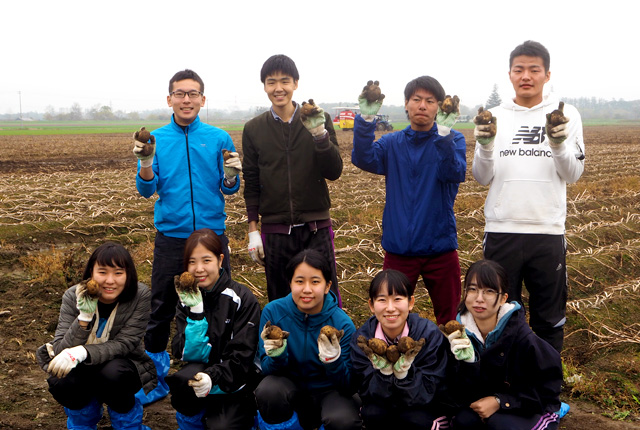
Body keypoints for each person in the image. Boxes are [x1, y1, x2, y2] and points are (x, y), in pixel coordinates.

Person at [133, 69, 242, 402]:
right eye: (180, 93)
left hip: (211, 236)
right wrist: (147, 161)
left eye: (193, 93)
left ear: (202, 100)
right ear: (170, 99)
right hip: (172, 235)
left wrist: (230, 176)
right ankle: (155, 378)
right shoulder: (156, 139)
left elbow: (231, 188)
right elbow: (145, 189)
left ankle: (223, 369)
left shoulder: (219, 137)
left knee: (220, 303)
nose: (186, 99)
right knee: (162, 306)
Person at [472, 40, 585, 352]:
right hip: (501, 231)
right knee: (501, 315)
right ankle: (505, 387)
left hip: (546, 231)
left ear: (547, 75)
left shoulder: (564, 114)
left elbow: (573, 174)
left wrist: (559, 143)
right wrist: (485, 144)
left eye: (534, 69)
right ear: (509, 74)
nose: (526, 76)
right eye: (519, 69)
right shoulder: (492, 116)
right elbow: (481, 177)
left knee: (549, 318)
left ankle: (545, 391)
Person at [351, 76, 466, 325]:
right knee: (392, 315)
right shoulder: (392, 143)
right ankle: (394, 361)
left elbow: (454, 172)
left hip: (441, 248)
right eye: (416, 100)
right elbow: (363, 158)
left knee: (451, 319)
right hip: (399, 250)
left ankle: (454, 362)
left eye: (429, 101)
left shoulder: (453, 139)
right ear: (406, 104)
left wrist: (443, 135)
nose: (422, 106)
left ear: (439, 106)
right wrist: (366, 121)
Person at [242, 54, 343, 303]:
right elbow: (252, 182)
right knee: (281, 298)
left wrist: (319, 135)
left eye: (285, 81)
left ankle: (329, 342)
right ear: (264, 86)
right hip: (275, 231)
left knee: (325, 298)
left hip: (315, 227)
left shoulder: (319, 119)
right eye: (271, 82)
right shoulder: (254, 129)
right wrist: (253, 229)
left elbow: (334, 171)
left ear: (295, 83)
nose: (278, 88)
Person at [36, 242, 156, 430]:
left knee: (113, 374)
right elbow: (59, 349)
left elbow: (126, 343)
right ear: (91, 273)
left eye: (118, 273)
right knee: (61, 380)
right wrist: (83, 318)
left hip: (122, 364)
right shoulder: (72, 296)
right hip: (82, 368)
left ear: (128, 274)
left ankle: (128, 425)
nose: (110, 280)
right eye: (102, 272)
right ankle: (83, 422)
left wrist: (83, 351)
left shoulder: (139, 296)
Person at [447, 259, 563, 429]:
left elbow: (547, 390)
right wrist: (470, 364)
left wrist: (501, 402)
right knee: (463, 421)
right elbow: (455, 393)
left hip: (528, 404)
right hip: (482, 404)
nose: (479, 299)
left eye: (489, 291)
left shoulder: (524, 338)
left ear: (503, 298)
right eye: (472, 289)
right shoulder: (458, 335)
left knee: (501, 425)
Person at [165, 228, 261, 430]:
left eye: (206, 260)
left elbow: (242, 358)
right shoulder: (187, 299)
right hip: (200, 376)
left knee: (223, 426)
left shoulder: (242, 298)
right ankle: (193, 422)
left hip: (233, 383)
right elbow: (183, 352)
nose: (198, 268)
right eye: (192, 262)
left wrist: (213, 377)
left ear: (220, 260)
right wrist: (196, 313)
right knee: (181, 382)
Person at [254, 249, 361, 430]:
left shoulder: (342, 324)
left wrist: (333, 362)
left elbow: (349, 385)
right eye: (299, 281)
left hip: (329, 392)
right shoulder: (273, 313)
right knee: (268, 390)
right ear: (290, 283)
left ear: (327, 286)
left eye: (315, 282)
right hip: (289, 388)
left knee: (343, 420)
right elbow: (265, 368)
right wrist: (278, 355)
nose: (307, 289)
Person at [350, 269, 451, 430]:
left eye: (397, 299)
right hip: (382, 404)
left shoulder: (428, 335)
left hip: (421, 406)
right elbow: (366, 391)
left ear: (410, 302)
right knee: (372, 413)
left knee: (415, 419)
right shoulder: (362, 340)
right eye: (382, 300)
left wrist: (404, 374)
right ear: (371, 305)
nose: (390, 308)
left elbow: (430, 390)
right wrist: (384, 374)